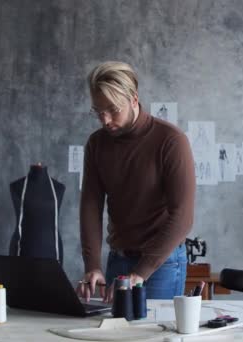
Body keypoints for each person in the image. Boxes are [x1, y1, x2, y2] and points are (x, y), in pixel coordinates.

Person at [77, 61, 196, 303]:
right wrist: (93, 265)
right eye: (98, 111)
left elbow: (182, 216)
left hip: (161, 262)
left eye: (113, 109)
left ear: (133, 99)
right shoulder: (97, 144)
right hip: (118, 259)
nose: (105, 119)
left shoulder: (171, 141)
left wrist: (140, 273)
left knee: (154, 335)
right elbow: (90, 205)